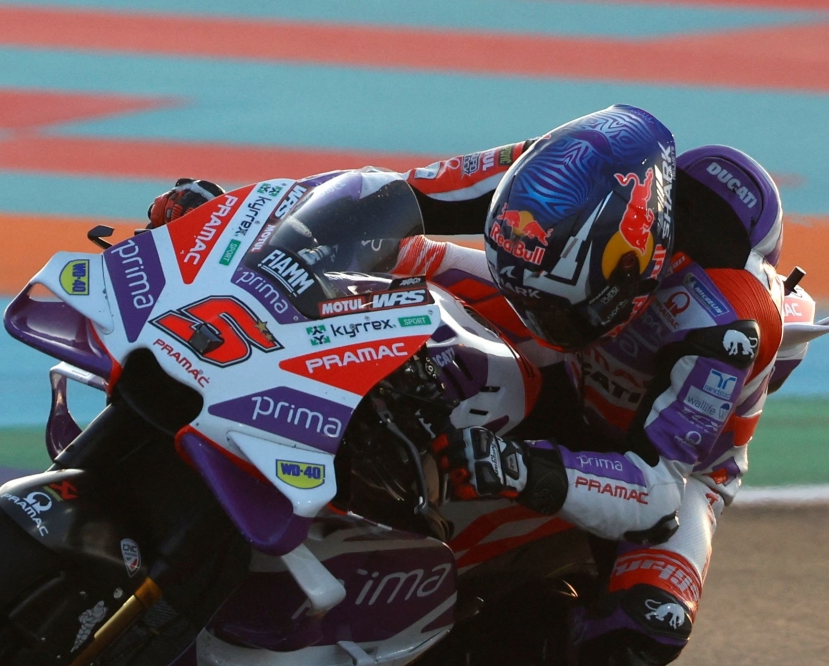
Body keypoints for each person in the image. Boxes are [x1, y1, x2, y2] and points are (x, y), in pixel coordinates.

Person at [147, 105, 787, 665]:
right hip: (556, 345)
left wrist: (516, 470)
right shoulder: (548, 178)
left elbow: (657, 491)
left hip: (664, 461)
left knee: (646, 627)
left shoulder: (727, 322)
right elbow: (379, 196)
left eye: (568, 307)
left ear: (639, 268)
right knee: (384, 261)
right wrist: (237, 219)